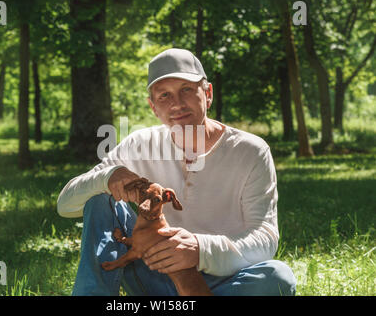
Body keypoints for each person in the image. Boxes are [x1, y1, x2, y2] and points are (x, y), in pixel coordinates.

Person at [57, 48, 296, 296]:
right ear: (153, 107)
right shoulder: (139, 144)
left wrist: (200, 249)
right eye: (164, 96)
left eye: (186, 90)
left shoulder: (251, 151)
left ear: (208, 93)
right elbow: (65, 205)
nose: (177, 104)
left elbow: (265, 238)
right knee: (99, 196)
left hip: (224, 280)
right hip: (151, 275)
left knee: (277, 278)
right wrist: (107, 176)